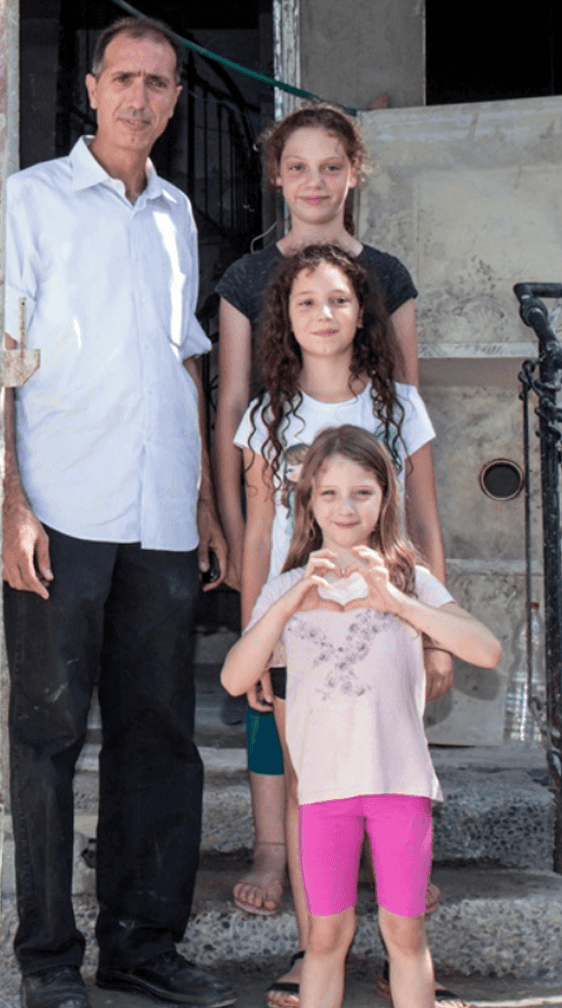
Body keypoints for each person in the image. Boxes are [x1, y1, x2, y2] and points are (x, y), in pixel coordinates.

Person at [2, 16, 234, 1008]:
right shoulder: (30, 201)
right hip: (61, 507)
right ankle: (49, 960)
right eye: (125, 79)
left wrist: (206, 504)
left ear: (177, 102)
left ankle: (144, 947)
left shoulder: (177, 212)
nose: (141, 98)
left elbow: (187, 360)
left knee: (160, 736)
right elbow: (0, 363)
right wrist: (10, 504)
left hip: (162, 516)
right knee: (50, 735)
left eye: (160, 85)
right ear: (90, 89)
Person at [212, 105, 452, 932]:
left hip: (383, 595)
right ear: (277, 177)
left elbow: (415, 480)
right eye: (298, 167)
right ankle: (289, 879)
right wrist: (253, 618)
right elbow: (245, 458)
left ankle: (396, 890)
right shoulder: (250, 293)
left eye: (331, 166)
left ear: (355, 171)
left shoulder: (387, 287)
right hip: (294, 596)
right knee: (290, 740)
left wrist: (433, 621)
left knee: (380, 736)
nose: (315, 182)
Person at [232, 243, 466, 1008]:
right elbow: (259, 538)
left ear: (361, 310)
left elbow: (424, 518)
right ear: (285, 319)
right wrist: (255, 646)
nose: (324, 315)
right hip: (298, 630)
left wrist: (433, 632)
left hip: (388, 627)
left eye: (338, 300)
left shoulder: (398, 403)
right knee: (311, 786)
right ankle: (316, 948)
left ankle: (402, 942)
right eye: (306, 303)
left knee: (388, 774)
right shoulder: (268, 414)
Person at [221, 424, 502, 1008]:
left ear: (385, 499)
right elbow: (233, 676)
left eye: (362, 493)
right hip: (323, 794)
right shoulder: (286, 589)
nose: (345, 507)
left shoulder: (408, 581)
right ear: (309, 504)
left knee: (405, 932)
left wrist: (396, 603)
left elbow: (486, 650)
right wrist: (288, 605)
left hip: (398, 786)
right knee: (326, 937)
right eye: (329, 493)